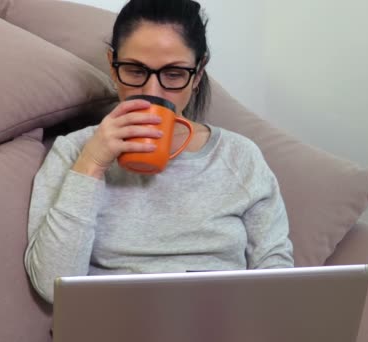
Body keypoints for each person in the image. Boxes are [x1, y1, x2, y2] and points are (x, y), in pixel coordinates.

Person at [25, 0, 293, 304]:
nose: (152, 92)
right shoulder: (74, 152)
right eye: (135, 70)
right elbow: (52, 287)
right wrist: (93, 163)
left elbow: (276, 277)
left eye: (174, 74)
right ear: (112, 66)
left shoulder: (239, 157)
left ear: (198, 72)